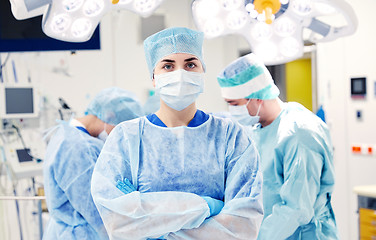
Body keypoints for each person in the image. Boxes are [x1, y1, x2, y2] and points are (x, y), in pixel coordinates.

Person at [91, 27, 263, 240]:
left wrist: (155, 227)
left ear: (202, 74)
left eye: (190, 64)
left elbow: (243, 224)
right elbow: (118, 221)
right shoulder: (126, 138)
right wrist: (207, 207)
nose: (180, 74)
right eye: (168, 66)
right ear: (154, 78)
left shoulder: (231, 136)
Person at [216, 53, 338, 239]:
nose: (231, 111)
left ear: (256, 97)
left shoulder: (299, 133)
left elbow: (297, 208)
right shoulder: (259, 128)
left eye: (234, 104)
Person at [43, 87, 144, 240]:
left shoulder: (69, 135)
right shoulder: (79, 147)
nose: (120, 138)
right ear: (110, 116)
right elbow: (97, 211)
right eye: (119, 130)